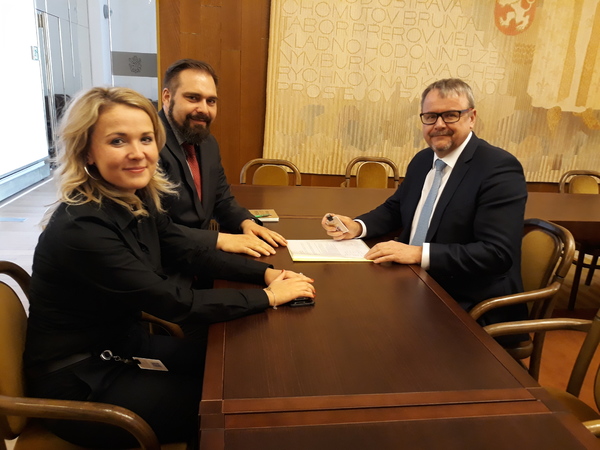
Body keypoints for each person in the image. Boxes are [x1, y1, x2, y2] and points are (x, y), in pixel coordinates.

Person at [23, 87, 315, 448]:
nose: (138, 153)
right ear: (86, 151)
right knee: (231, 405)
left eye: (146, 139)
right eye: (117, 141)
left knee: (239, 372)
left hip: (122, 346)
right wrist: (268, 297)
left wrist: (266, 274)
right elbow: (173, 301)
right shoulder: (81, 228)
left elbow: (187, 251)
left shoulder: (133, 198)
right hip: (81, 383)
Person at [322, 78, 528, 331]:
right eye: (430, 117)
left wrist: (419, 253)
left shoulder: (498, 168)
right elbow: (395, 209)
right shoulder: (423, 160)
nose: (439, 125)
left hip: (467, 301)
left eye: (450, 115)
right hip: (412, 282)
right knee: (344, 314)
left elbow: (496, 253)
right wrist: (357, 226)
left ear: (471, 118)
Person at [159, 58, 284, 258]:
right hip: (164, 262)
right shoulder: (147, 144)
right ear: (167, 97)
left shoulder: (208, 143)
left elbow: (221, 198)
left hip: (199, 257)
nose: (204, 109)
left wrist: (246, 222)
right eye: (193, 98)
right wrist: (220, 239)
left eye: (211, 101)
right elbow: (153, 228)